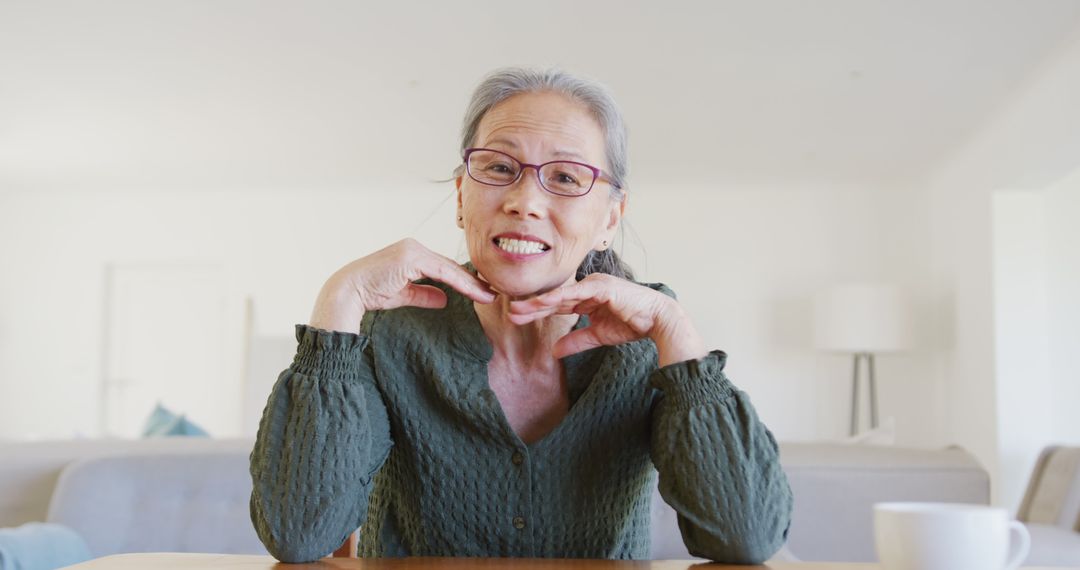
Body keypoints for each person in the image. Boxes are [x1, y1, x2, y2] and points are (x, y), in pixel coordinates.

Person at [248, 67, 792, 564]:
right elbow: (300, 534)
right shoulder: (392, 329)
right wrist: (337, 300)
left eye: (564, 177)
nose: (525, 201)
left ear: (610, 219)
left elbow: (747, 537)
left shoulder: (647, 338)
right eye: (500, 168)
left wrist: (677, 333)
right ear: (461, 197)